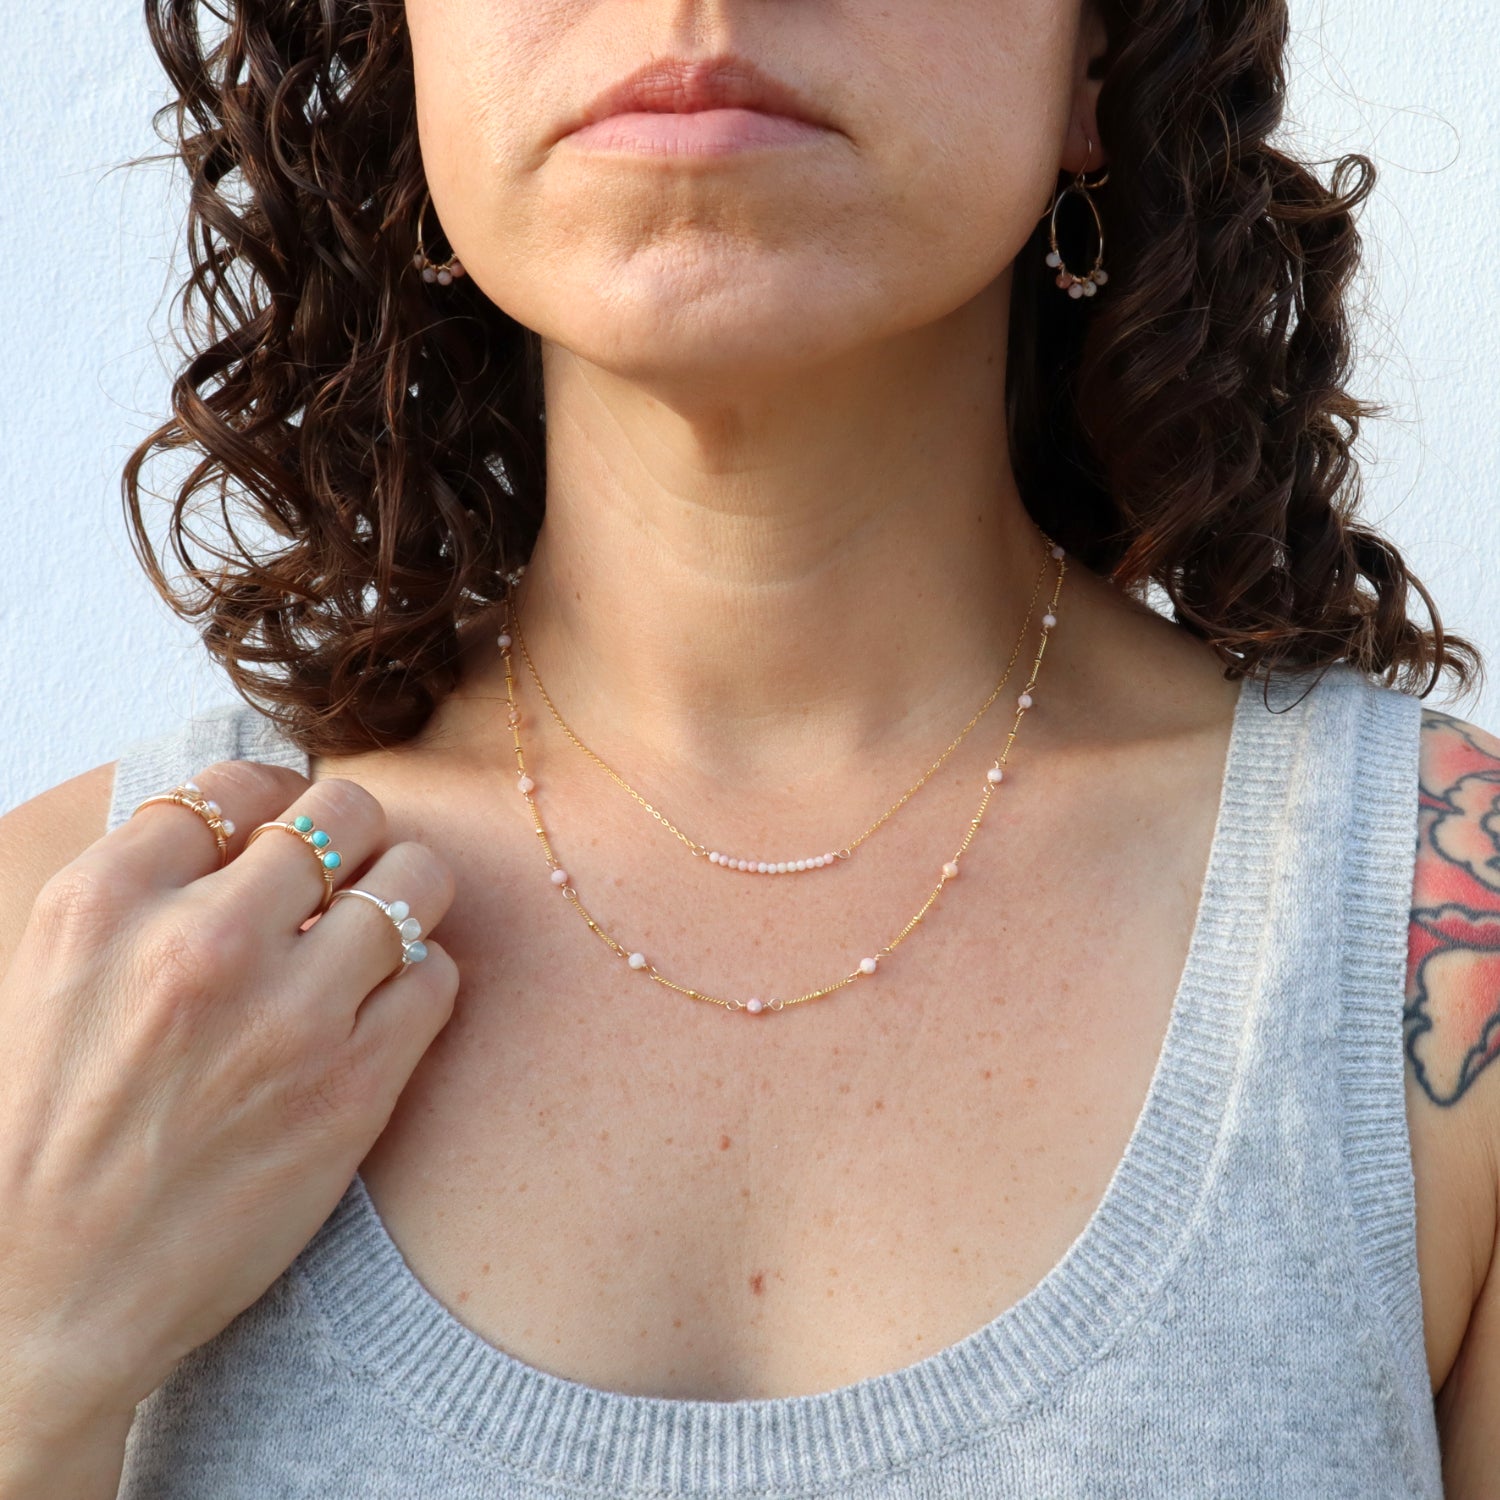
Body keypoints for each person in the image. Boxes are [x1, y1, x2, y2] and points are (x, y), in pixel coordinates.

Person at [1, 0, 1496, 1494]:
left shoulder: (1435, 957)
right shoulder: (63, 958)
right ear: (409, 64)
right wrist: (33, 1353)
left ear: (1097, 61)